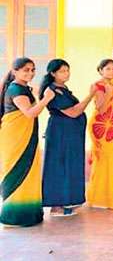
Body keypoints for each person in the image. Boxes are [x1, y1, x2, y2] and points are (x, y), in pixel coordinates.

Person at [0, 58, 55, 227]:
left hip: (26, 136)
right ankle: (15, 217)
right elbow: (30, 113)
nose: (30, 73)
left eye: (32, 70)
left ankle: (29, 213)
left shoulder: (24, 88)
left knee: (29, 172)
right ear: (15, 71)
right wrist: (46, 99)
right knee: (18, 173)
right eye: (26, 70)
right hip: (16, 139)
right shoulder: (16, 89)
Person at [41, 59, 94, 216]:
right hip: (61, 133)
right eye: (62, 71)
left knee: (70, 165)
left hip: (70, 134)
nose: (66, 73)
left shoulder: (63, 89)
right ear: (53, 73)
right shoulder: (52, 91)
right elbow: (73, 112)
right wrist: (90, 95)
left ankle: (68, 200)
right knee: (58, 166)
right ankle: (56, 206)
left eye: (67, 70)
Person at [86, 59, 113, 209]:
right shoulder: (98, 86)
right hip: (101, 127)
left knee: (112, 161)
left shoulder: (112, 85)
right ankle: (98, 198)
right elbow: (100, 108)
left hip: (112, 125)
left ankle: (110, 197)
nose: (112, 72)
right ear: (100, 70)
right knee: (102, 160)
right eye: (108, 69)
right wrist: (108, 94)